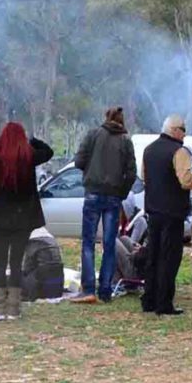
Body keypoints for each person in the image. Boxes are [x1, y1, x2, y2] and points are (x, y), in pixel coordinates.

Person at [0, 123, 53, 320]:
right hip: (22, 218)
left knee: (0, 261)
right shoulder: (29, 157)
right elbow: (48, 152)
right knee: (16, 262)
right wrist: (33, 140)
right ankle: (14, 308)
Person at [140, 114, 192, 316]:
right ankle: (164, 303)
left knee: (153, 255)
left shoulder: (148, 150)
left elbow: (144, 176)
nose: (185, 134)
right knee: (169, 258)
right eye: (183, 129)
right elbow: (185, 180)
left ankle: (149, 300)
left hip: (153, 211)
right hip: (172, 212)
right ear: (174, 130)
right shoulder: (179, 151)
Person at [71, 106, 137, 304]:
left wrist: (90, 170)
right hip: (114, 197)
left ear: (106, 118)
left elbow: (78, 161)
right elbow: (131, 173)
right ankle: (105, 290)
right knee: (109, 244)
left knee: (88, 243)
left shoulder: (93, 135)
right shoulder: (126, 141)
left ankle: (88, 289)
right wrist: (121, 192)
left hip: (93, 193)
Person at [21, 227, 65, 301]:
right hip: (57, 289)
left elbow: (27, 269)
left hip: (41, 289)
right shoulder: (51, 238)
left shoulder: (32, 242)